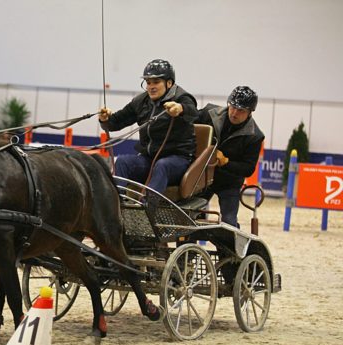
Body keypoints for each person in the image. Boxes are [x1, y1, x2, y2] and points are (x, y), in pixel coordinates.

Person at [99, 59, 198, 194]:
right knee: (122, 161)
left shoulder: (182, 97)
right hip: (149, 159)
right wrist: (105, 119)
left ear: (169, 83)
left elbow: (194, 112)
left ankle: (148, 208)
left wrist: (181, 109)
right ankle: (117, 205)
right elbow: (115, 122)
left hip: (178, 160)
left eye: (156, 82)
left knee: (162, 165)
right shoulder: (141, 101)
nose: (151, 86)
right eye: (148, 82)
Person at [197, 86, 265, 227]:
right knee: (189, 217)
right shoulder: (208, 114)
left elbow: (248, 169)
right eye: (232, 107)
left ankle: (230, 248)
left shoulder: (255, 136)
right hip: (202, 178)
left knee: (229, 223)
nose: (234, 112)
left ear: (250, 112)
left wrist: (226, 162)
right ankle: (188, 249)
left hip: (229, 184)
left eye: (241, 110)